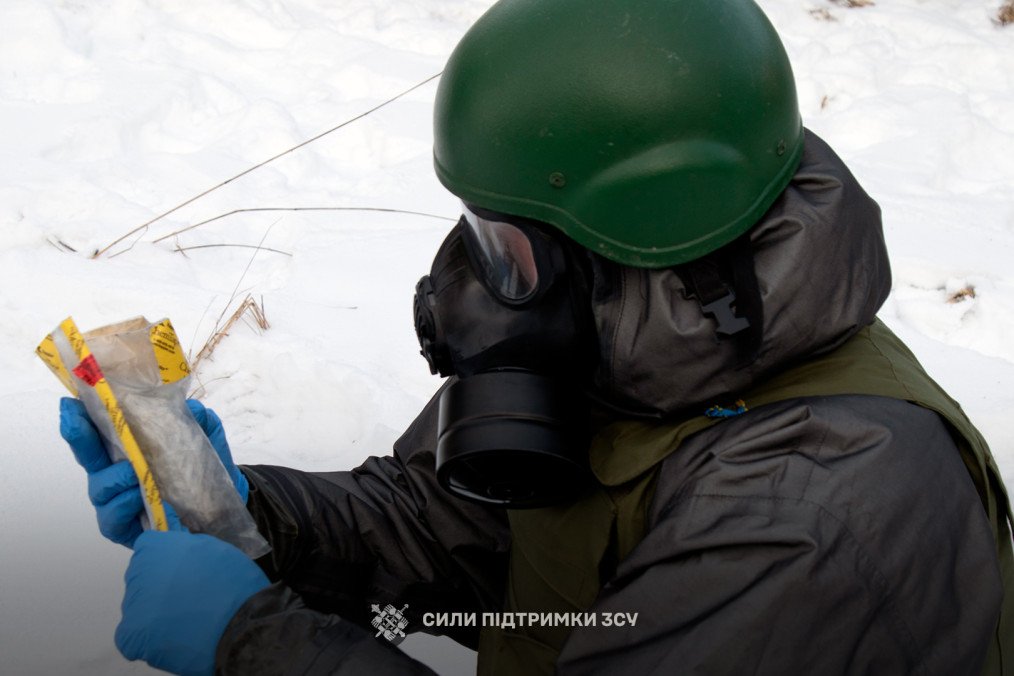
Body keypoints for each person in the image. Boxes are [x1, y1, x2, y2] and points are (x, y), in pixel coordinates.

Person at [60, 0, 1013, 674]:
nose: (483, 289)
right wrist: (251, 519)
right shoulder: (644, 347)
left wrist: (253, 642)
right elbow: (445, 534)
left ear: (644, 232)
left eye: (505, 245)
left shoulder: (816, 507)